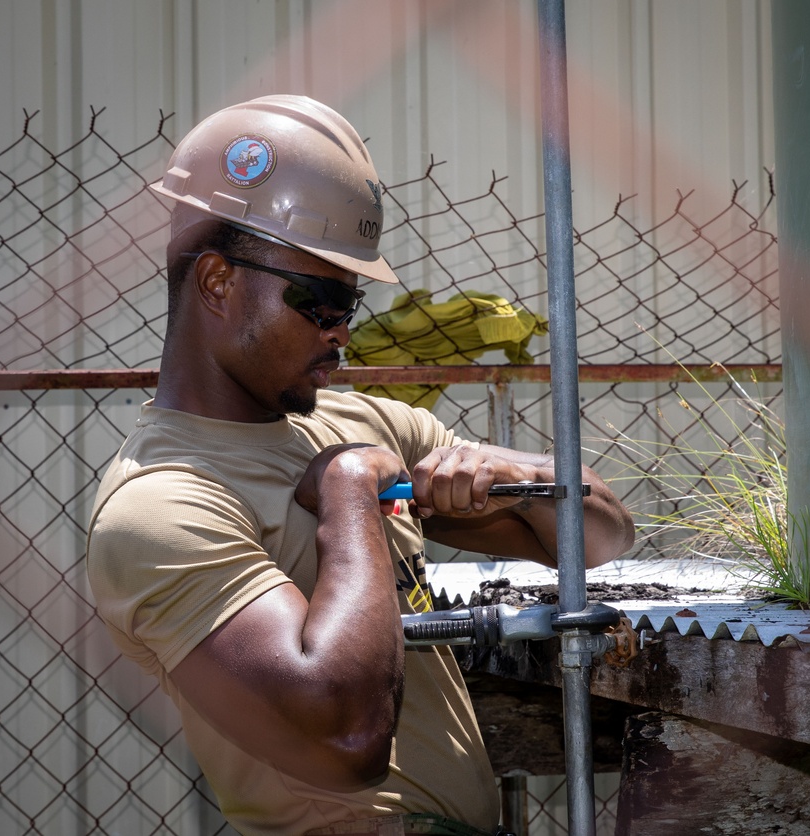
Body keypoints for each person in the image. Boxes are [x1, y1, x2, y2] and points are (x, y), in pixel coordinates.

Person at [86, 94, 634, 836]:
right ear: (217, 283)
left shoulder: (362, 423)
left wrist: (507, 478)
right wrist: (349, 492)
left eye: (352, 301)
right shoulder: (160, 508)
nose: (342, 331)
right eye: (318, 299)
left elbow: (601, 536)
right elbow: (346, 740)